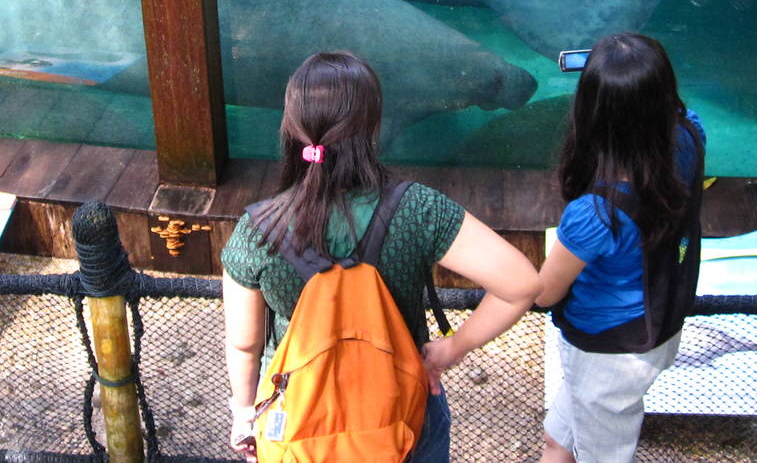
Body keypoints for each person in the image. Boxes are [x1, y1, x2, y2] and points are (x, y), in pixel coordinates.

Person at [220, 50, 540, 462]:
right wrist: (450, 349)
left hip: (298, 419)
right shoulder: (419, 209)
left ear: (291, 127)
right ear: (372, 125)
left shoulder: (257, 229)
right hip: (402, 410)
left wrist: (245, 415)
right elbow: (522, 284)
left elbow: (244, 345)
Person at [536, 32, 706, 463]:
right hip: (657, 326)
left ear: (593, 113)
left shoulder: (596, 212)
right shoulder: (690, 137)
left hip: (608, 354)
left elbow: (545, 292)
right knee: (558, 440)